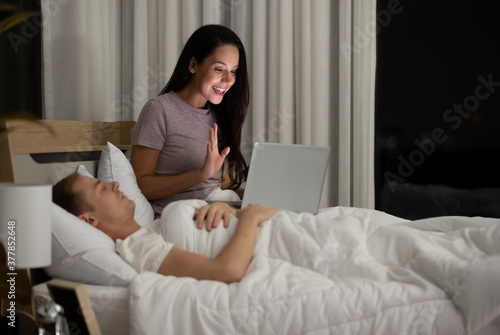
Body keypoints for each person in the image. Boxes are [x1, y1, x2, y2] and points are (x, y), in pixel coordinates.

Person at [52, 172, 277, 284]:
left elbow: (259, 214)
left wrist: (227, 209)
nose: (115, 184)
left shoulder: (153, 230)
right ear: (89, 220)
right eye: (102, 188)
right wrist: (248, 218)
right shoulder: (138, 246)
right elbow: (227, 272)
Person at [130, 24, 249, 218]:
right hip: (186, 219)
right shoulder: (159, 110)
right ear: (193, 65)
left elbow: (217, 187)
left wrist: (262, 198)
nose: (228, 79)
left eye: (234, 71)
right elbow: (141, 185)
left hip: (219, 210)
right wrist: (200, 174)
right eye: (219, 69)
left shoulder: (219, 116)